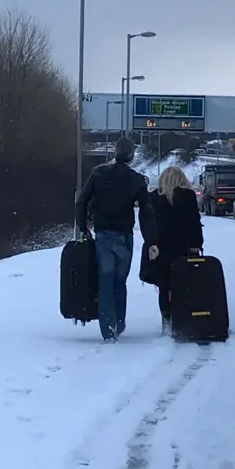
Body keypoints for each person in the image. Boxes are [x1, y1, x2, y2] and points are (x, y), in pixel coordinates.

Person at [75, 137, 158, 343]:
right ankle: (119, 322)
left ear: (115, 153)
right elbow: (146, 211)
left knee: (105, 281)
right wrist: (151, 240)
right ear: (131, 156)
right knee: (119, 282)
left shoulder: (99, 174)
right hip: (124, 236)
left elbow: (82, 200)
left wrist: (83, 227)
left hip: (102, 235)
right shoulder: (135, 179)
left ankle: (108, 330)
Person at [140, 166, 203, 334]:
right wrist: (197, 244)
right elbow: (193, 223)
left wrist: (151, 244)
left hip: (160, 249)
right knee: (183, 286)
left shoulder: (153, 197)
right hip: (182, 248)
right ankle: (182, 320)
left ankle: (166, 320)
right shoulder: (188, 196)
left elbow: (148, 223)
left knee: (164, 286)